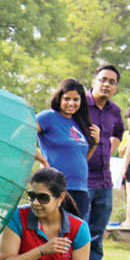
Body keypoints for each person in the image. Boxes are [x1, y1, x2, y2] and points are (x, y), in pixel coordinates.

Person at [84, 65, 124, 260]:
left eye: (112, 82)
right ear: (94, 80)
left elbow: (119, 131)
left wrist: (109, 149)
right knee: (78, 233)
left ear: (116, 87)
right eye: (103, 80)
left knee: (97, 237)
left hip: (105, 181)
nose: (107, 84)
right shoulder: (79, 104)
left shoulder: (115, 111)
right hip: (81, 180)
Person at [36, 78, 100, 217]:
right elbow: (21, 135)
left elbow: (82, 158)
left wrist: (95, 143)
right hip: (55, 188)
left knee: (76, 235)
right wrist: (43, 160)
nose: (71, 103)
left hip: (80, 189)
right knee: (54, 234)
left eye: (76, 99)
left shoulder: (79, 122)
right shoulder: (48, 117)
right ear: (59, 98)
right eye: (67, 99)